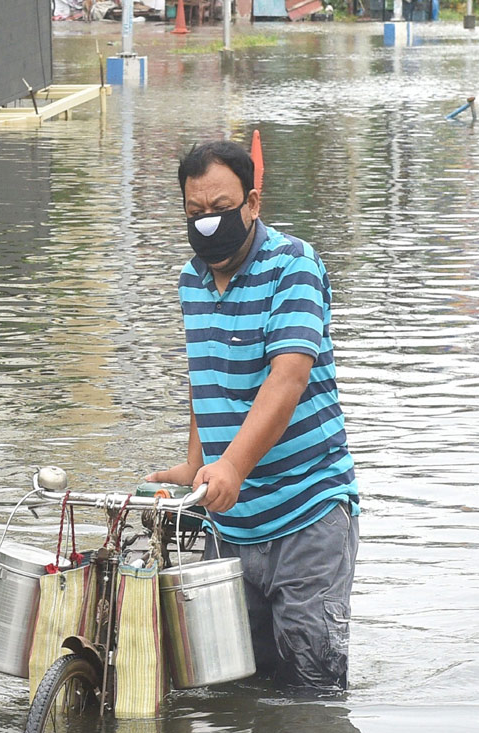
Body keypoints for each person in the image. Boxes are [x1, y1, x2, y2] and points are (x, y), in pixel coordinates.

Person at [148, 139, 360, 693]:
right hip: (230, 522)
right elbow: (205, 375)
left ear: (252, 203)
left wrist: (233, 468)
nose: (208, 223)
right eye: (195, 213)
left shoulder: (295, 266)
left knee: (310, 688)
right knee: (234, 683)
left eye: (220, 209)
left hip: (306, 512)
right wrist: (196, 463)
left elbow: (286, 380)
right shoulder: (191, 280)